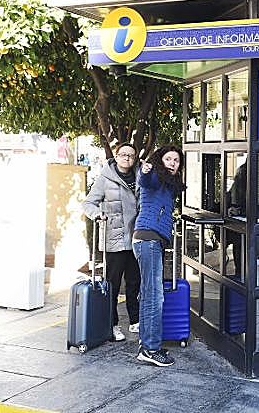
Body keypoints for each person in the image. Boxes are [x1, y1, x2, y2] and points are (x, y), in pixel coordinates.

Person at [132, 145, 185, 367]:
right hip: (148, 239)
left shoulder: (168, 184)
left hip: (149, 240)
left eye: (176, 160)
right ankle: (151, 349)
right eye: (168, 159)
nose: (172, 163)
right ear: (160, 161)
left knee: (148, 294)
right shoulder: (155, 176)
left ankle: (147, 344)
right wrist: (144, 170)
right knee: (154, 296)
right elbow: (145, 180)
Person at [82, 143, 141, 342]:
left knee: (134, 282)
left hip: (136, 238)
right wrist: (98, 214)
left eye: (131, 155)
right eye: (123, 154)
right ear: (116, 157)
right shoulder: (105, 178)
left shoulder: (140, 176)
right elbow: (88, 203)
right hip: (114, 239)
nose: (127, 158)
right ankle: (112, 324)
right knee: (113, 285)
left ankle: (135, 320)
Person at [226, 163, 247, 275]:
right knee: (238, 245)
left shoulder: (247, 186)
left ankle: (240, 272)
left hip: (244, 222)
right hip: (237, 224)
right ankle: (239, 272)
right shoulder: (236, 187)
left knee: (239, 246)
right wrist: (230, 209)